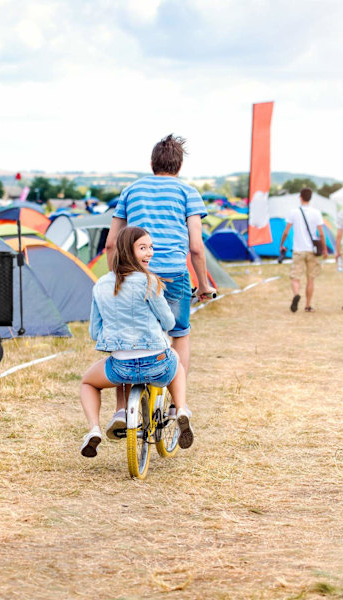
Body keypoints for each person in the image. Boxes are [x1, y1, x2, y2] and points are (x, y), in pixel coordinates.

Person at [105, 134, 215, 380]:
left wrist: (116, 277)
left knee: (133, 334)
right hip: (174, 274)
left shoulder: (131, 191)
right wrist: (204, 286)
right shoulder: (188, 193)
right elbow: (196, 247)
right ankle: (178, 403)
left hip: (136, 274)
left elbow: (111, 243)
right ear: (179, 165)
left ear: (152, 163)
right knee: (180, 334)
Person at [80, 226, 192, 457]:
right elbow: (169, 322)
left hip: (121, 368)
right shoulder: (149, 281)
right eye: (143, 248)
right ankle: (180, 409)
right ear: (128, 251)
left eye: (151, 247)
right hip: (158, 361)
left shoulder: (100, 285)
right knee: (177, 364)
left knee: (88, 383)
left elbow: (94, 331)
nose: (149, 253)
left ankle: (94, 429)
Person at [279, 187, 328, 313]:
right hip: (312, 250)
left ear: (300, 197)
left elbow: (286, 231)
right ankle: (307, 305)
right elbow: (321, 234)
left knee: (295, 277)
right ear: (310, 198)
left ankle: (296, 294)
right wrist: (325, 249)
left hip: (298, 250)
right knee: (310, 279)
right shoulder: (316, 213)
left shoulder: (293, 212)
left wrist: (282, 244)